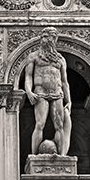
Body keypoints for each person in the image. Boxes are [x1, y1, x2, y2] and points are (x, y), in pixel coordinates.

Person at [24, 26, 72, 156]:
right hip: (40, 93)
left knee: (59, 126)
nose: (43, 40)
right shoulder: (34, 56)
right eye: (42, 37)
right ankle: (34, 156)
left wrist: (69, 100)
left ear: (53, 39)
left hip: (57, 93)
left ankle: (62, 156)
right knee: (40, 124)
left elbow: (64, 81)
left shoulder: (60, 59)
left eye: (47, 37)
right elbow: (28, 76)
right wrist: (29, 91)